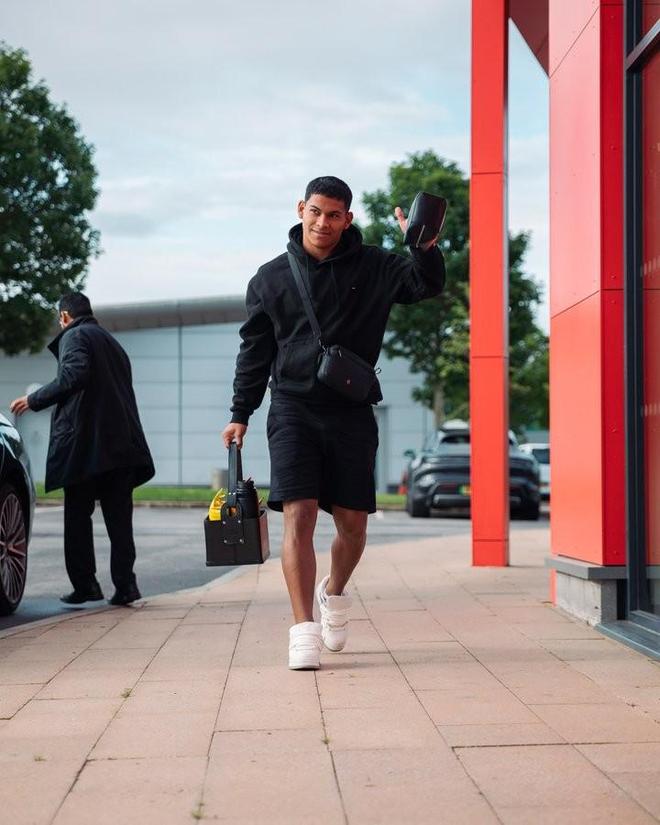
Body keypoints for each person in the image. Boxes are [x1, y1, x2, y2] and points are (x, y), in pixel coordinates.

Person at [222, 176, 446, 669]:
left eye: (334, 215)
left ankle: (335, 593)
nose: (323, 223)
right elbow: (254, 353)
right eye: (316, 212)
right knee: (298, 514)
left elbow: (425, 284)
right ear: (301, 209)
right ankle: (302, 629)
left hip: (351, 409)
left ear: (348, 219)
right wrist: (240, 413)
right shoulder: (270, 279)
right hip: (292, 408)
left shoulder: (375, 266)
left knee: (353, 524)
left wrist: (424, 246)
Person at [10, 292, 154, 606]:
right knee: (119, 521)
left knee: (77, 516)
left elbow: (73, 375)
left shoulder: (74, 336)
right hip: (120, 445)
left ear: (64, 316)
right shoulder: (112, 343)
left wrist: (33, 400)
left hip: (87, 445)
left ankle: (86, 584)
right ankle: (126, 586)